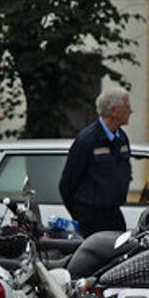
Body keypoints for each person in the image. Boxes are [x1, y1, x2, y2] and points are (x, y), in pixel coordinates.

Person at [59, 88, 133, 237]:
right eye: (127, 107)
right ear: (113, 111)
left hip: (114, 213)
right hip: (91, 217)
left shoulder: (121, 138)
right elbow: (67, 184)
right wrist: (80, 217)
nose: (131, 111)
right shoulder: (88, 140)